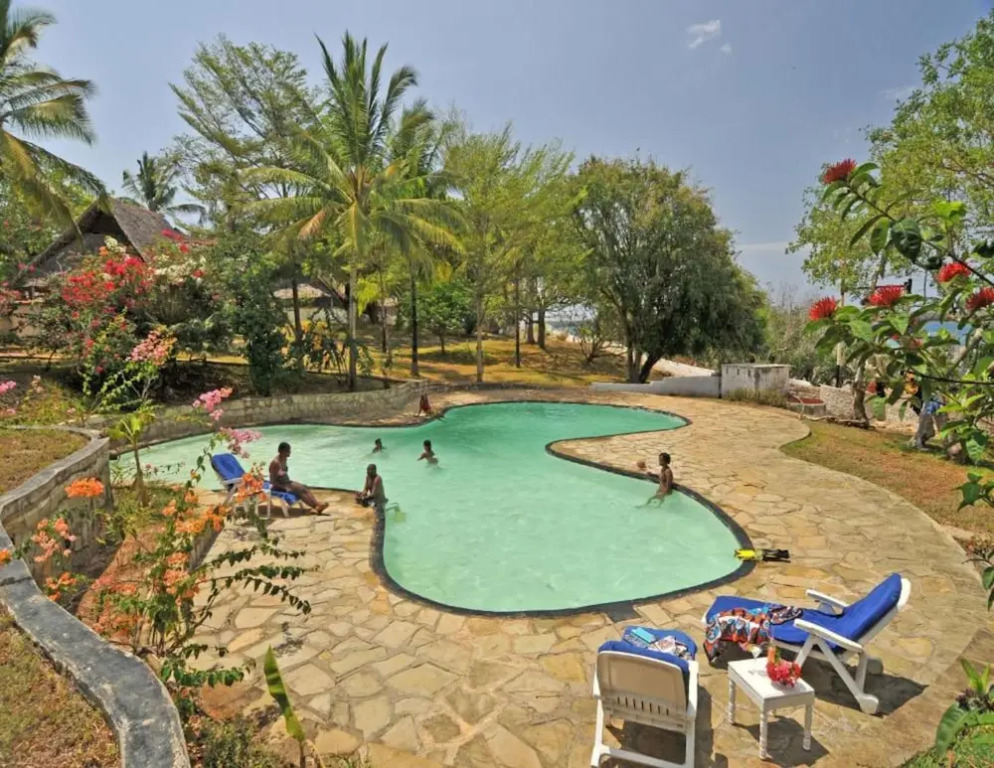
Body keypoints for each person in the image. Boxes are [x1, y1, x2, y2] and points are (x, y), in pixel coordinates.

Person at [269, 442, 328, 514]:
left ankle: (317, 504)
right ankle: (315, 506)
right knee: (299, 491)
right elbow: (272, 481)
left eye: (289, 450)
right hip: (279, 486)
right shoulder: (276, 463)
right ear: (281, 451)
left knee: (304, 487)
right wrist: (284, 488)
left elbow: (282, 472)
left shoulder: (284, 459)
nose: (290, 452)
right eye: (288, 451)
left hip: (286, 482)